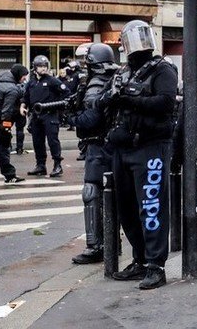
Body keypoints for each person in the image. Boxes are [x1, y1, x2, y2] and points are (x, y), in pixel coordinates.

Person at [99, 19, 178, 289]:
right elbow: (103, 103)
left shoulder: (162, 68)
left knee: (151, 208)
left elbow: (165, 102)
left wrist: (129, 100)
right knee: (127, 209)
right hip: (123, 147)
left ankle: (156, 266)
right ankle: (141, 260)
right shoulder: (123, 72)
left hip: (150, 146)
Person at [67, 44, 119, 264]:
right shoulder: (114, 78)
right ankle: (112, 244)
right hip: (112, 144)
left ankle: (95, 246)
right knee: (111, 194)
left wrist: (71, 118)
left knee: (92, 191)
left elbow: (90, 119)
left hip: (98, 145)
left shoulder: (96, 83)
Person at [22, 55, 69, 177]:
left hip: (50, 115)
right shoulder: (31, 82)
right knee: (37, 142)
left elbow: (66, 93)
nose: (43, 68)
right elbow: (26, 97)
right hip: (36, 116)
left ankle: (57, 165)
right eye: (40, 66)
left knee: (53, 141)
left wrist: (58, 105)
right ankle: (40, 166)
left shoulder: (52, 81)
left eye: (45, 66)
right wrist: (23, 106)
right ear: (35, 68)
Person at [0, 64, 28, 183]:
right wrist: (6, 127)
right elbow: (7, 111)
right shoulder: (12, 89)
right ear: (18, 75)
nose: (25, 79)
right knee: (3, 145)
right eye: (23, 76)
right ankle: (9, 175)